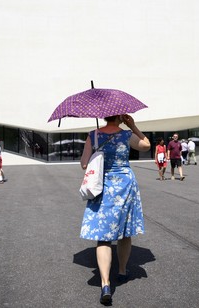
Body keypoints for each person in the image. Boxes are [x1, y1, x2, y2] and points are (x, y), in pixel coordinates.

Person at [80, 114, 150, 305]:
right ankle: (122, 271)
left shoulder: (93, 135)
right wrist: (133, 126)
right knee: (125, 231)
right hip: (125, 184)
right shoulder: (127, 135)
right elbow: (146, 145)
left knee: (103, 236)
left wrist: (97, 153)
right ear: (119, 116)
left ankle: (105, 283)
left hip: (102, 186)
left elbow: (84, 164)